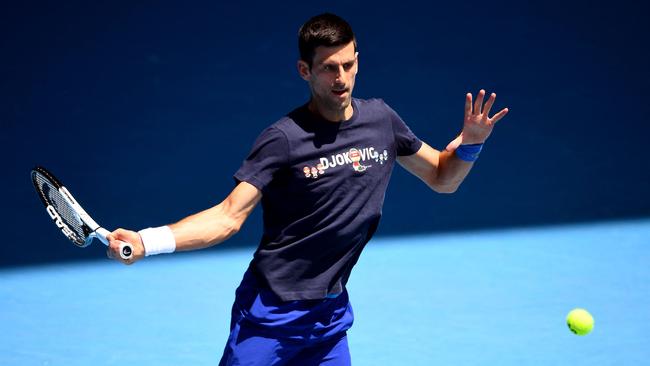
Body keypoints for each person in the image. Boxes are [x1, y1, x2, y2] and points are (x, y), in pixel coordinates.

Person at [107, 13, 508, 366]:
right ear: (305, 70)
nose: (341, 79)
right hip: (271, 315)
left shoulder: (382, 121)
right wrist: (147, 241)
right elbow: (228, 216)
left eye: (348, 65)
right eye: (329, 68)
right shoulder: (283, 139)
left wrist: (471, 144)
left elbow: (442, 177)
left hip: (329, 321)